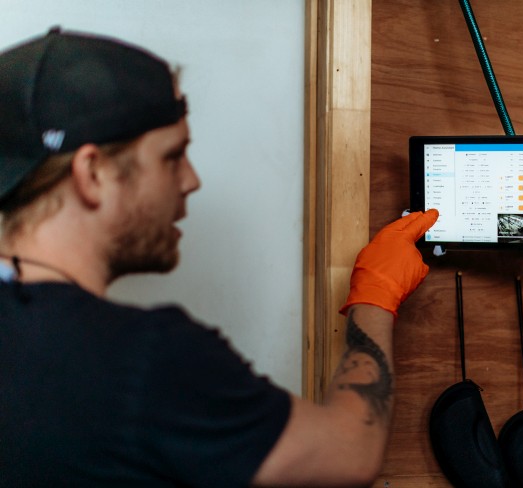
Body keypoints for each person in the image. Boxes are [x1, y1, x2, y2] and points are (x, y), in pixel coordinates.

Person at [0, 28, 439, 487]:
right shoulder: (143, 360)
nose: (191, 180)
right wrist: (376, 296)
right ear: (93, 173)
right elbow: (349, 451)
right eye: (173, 157)